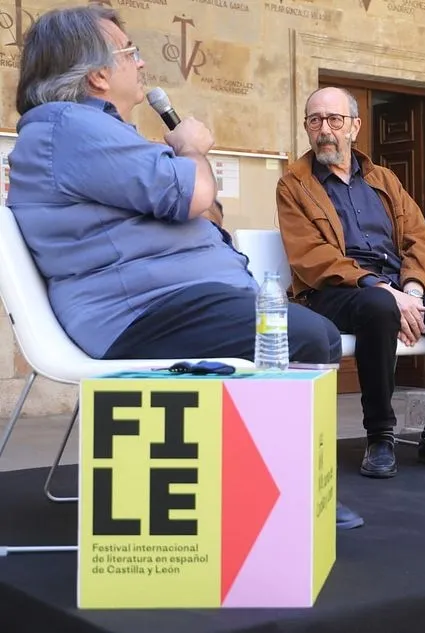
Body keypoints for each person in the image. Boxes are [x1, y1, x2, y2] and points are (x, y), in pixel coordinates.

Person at [6, 5, 362, 529]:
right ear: (99, 74)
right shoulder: (71, 128)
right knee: (304, 336)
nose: (143, 64)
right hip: (140, 313)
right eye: (131, 52)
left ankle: (256, 486)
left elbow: (202, 210)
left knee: (310, 334)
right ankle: (281, 500)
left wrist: (189, 183)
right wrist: (193, 150)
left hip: (167, 301)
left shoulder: (91, 132)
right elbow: (197, 193)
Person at [276, 86, 425, 479]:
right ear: (307, 128)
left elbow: (419, 241)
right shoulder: (295, 184)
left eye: (335, 120)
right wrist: (382, 290)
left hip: (399, 286)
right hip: (340, 292)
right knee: (377, 306)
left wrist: (411, 290)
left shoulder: (384, 179)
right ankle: (379, 436)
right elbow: (311, 256)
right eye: (315, 120)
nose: (325, 129)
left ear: (354, 127)